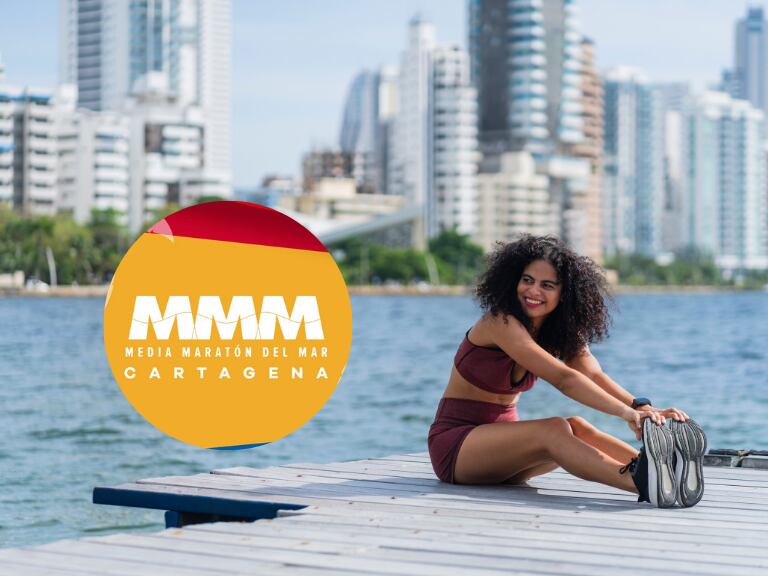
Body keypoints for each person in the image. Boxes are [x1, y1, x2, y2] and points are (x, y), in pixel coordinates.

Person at [428, 235, 707, 508]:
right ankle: (642, 483)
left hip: (502, 450)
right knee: (554, 429)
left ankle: (664, 469)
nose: (533, 291)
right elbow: (564, 378)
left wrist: (642, 407)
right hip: (457, 448)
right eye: (527, 280)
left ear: (564, 293)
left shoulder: (557, 332)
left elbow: (594, 375)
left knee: (576, 426)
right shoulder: (499, 322)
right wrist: (626, 414)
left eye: (547, 285)